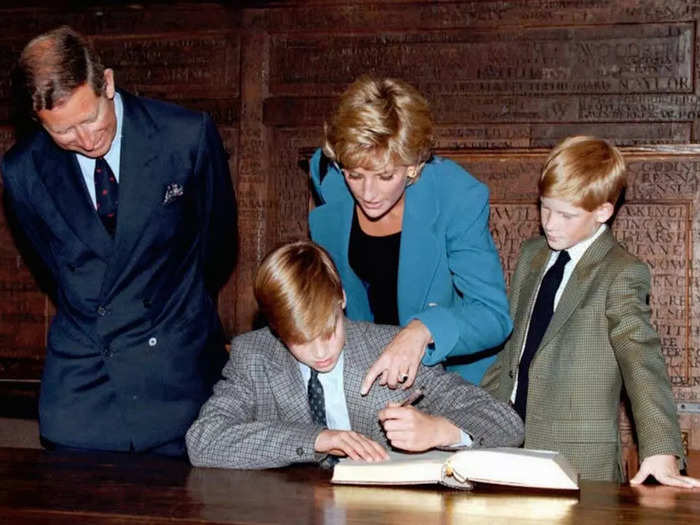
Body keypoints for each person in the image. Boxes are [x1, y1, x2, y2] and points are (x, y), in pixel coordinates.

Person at [1, 26, 236, 455]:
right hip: (85, 382)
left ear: (106, 82)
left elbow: (218, 246)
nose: (87, 140)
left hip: (175, 371)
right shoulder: (23, 171)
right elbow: (51, 264)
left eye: (90, 118)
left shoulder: (184, 136)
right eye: (64, 133)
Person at [186, 241, 523, 469]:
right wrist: (317, 439)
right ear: (275, 328)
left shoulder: (391, 350)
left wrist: (440, 431)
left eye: (329, 331)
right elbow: (203, 440)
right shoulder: (254, 356)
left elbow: (507, 423)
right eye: (299, 341)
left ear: (342, 299)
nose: (320, 352)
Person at [481, 136, 699, 487]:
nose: (550, 223)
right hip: (505, 445)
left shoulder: (621, 272)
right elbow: (511, 354)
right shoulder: (531, 255)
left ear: (603, 212)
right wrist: (473, 421)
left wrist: (661, 450)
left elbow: (641, 359)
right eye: (544, 207)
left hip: (580, 463)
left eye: (566, 214)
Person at [309, 76, 511, 393]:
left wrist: (423, 330)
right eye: (355, 174)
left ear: (414, 165)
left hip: (453, 379)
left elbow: (493, 316)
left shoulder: (456, 197)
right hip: (368, 373)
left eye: (386, 175)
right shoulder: (331, 180)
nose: (368, 192)